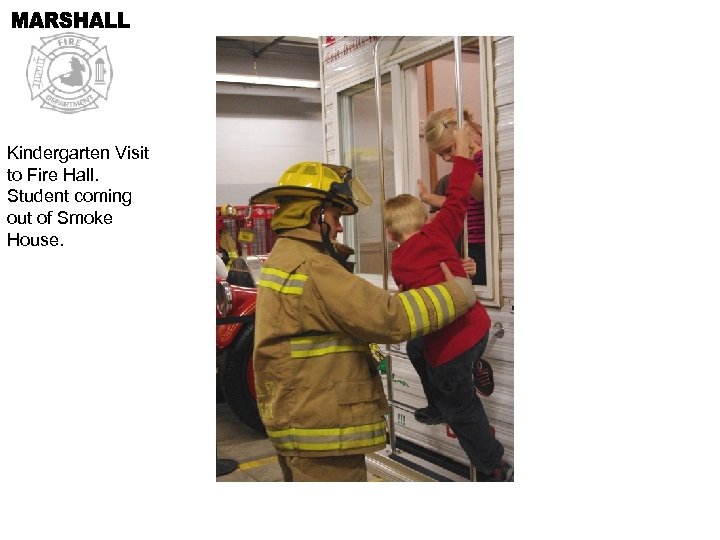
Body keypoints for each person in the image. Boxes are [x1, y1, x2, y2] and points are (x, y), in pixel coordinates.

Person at [249, 161, 478, 482]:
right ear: (316, 216)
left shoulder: (284, 256)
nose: (340, 227)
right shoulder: (313, 267)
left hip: (298, 416)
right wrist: (457, 293)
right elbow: (389, 316)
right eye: (336, 216)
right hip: (321, 427)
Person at [384, 125, 510, 481]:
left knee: (462, 407)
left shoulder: (399, 262)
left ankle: (493, 466)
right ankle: (439, 402)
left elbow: (412, 304)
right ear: (425, 220)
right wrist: (463, 156)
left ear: (391, 235)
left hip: (452, 346)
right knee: (415, 348)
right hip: (477, 327)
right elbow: (457, 196)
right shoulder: (440, 231)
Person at [420, 107, 486, 286]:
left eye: (448, 149)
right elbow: (464, 201)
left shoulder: (483, 158)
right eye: (440, 155)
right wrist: (428, 198)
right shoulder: (466, 163)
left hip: (484, 242)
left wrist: (463, 155)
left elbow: (480, 194)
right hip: (471, 242)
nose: (447, 158)